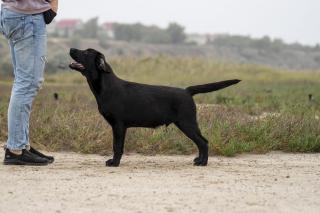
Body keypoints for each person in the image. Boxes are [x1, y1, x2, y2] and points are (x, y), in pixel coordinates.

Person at [0, 0, 58, 165]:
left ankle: (21, 145)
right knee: (27, 84)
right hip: (27, 17)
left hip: (18, 15)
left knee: (23, 82)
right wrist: (53, 5)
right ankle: (16, 149)